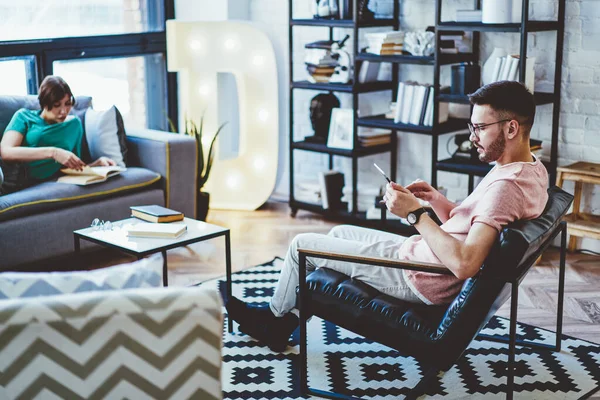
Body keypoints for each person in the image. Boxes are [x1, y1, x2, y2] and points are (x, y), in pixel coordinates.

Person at [226, 80, 549, 352]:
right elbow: (472, 224)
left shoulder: (506, 187)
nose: (472, 136)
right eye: (472, 126)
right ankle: (283, 322)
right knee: (339, 233)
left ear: (510, 128)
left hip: (419, 276)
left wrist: (414, 216)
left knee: (301, 245)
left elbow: (465, 265)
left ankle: (272, 321)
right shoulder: (530, 170)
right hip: (423, 259)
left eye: (479, 127)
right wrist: (436, 200)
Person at [0, 75, 115, 193]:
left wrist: (97, 164)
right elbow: (6, 152)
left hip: (52, 181)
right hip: (18, 181)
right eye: (57, 105)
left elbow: (72, 167)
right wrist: (53, 152)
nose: (64, 111)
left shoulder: (74, 125)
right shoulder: (24, 117)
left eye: (68, 103)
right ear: (44, 103)